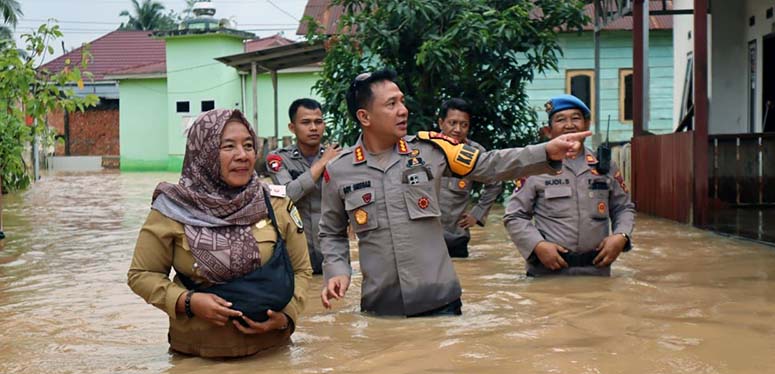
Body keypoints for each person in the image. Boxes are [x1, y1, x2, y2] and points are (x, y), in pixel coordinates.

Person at [318, 69, 591, 317]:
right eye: (391, 104)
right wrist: (337, 270)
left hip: (441, 304)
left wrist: (545, 151)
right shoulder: (339, 170)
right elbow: (331, 232)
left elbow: (489, 165)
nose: (403, 110)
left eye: (401, 101)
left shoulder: (432, 150)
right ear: (364, 117)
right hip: (381, 308)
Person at [128, 109, 312, 358]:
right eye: (228, 147)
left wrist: (286, 318)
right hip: (196, 360)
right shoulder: (172, 209)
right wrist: (188, 302)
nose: (242, 155)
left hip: (271, 356)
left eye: (248, 146)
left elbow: (301, 270)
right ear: (203, 152)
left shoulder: (275, 203)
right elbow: (142, 274)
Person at [503, 94, 635, 277]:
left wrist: (621, 236)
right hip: (547, 273)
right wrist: (537, 245)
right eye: (560, 120)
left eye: (576, 118)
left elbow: (623, 207)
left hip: (597, 272)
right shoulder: (535, 166)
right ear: (548, 131)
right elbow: (514, 215)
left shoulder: (604, 166)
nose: (569, 125)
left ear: (587, 125)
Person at [263, 98, 341, 274]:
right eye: (306, 122)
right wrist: (322, 163)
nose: (313, 128)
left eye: (318, 122)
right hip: (297, 256)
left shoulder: (339, 157)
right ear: (292, 127)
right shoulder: (278, 159)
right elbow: (289, 193)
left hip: (332, 253)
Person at [436, 98, 504, 258]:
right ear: (441, 123)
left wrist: (477, 213)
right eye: (452, 123)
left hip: (456, 238)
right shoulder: (426, 149)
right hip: (424, 240)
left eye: (464, 125)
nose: (458, 129)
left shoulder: (474, 153)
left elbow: (495, 182)